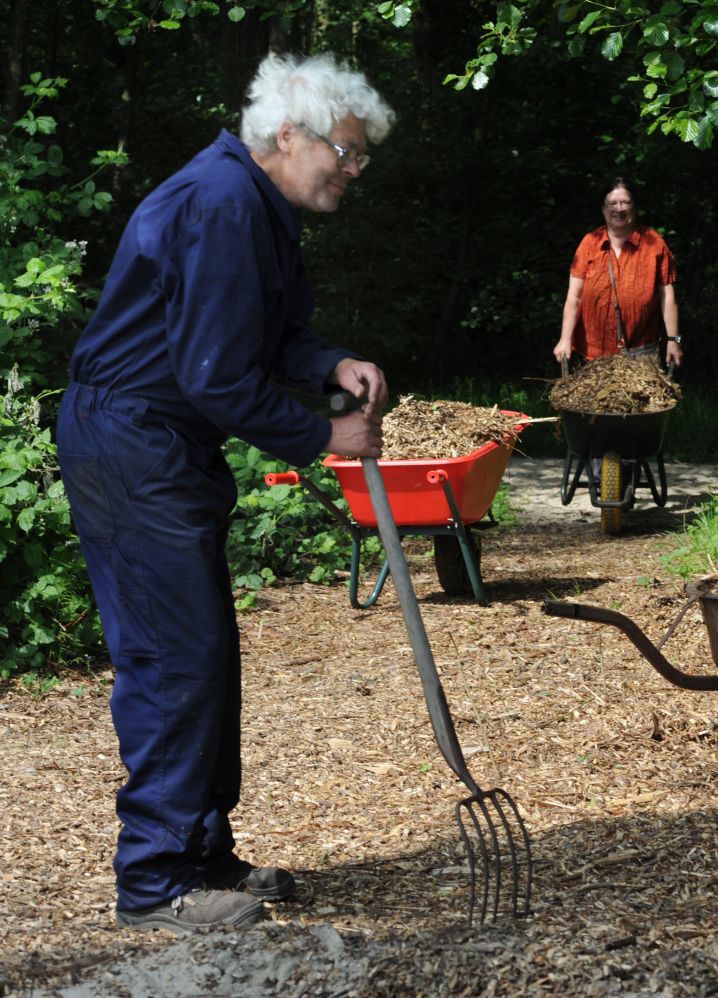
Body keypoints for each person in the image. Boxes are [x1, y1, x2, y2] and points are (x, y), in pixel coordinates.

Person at [56, 52, 394, 933]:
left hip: (161, 443)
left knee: (202, 654)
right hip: (132, 441)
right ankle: (157, 881)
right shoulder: (219, 204)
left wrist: (330, 363)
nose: (355, 171)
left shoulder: (257, 205)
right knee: (175, 658)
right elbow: (215, 376)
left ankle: (202, 853)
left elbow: (271, 334)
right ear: (290, 135)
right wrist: (325, 437)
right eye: (349, 153)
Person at [553, 178, 682, 370]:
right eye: (613, 203)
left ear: (634, 207)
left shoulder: (654, 243)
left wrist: (674, 340)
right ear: (604, 209)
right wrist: (565, 339)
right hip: (592, 354)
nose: (619, 209)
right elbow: (575, 296)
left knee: (640, 401)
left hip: (641, 354)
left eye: (625, 203)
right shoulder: (589, 243)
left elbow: (667, 296)